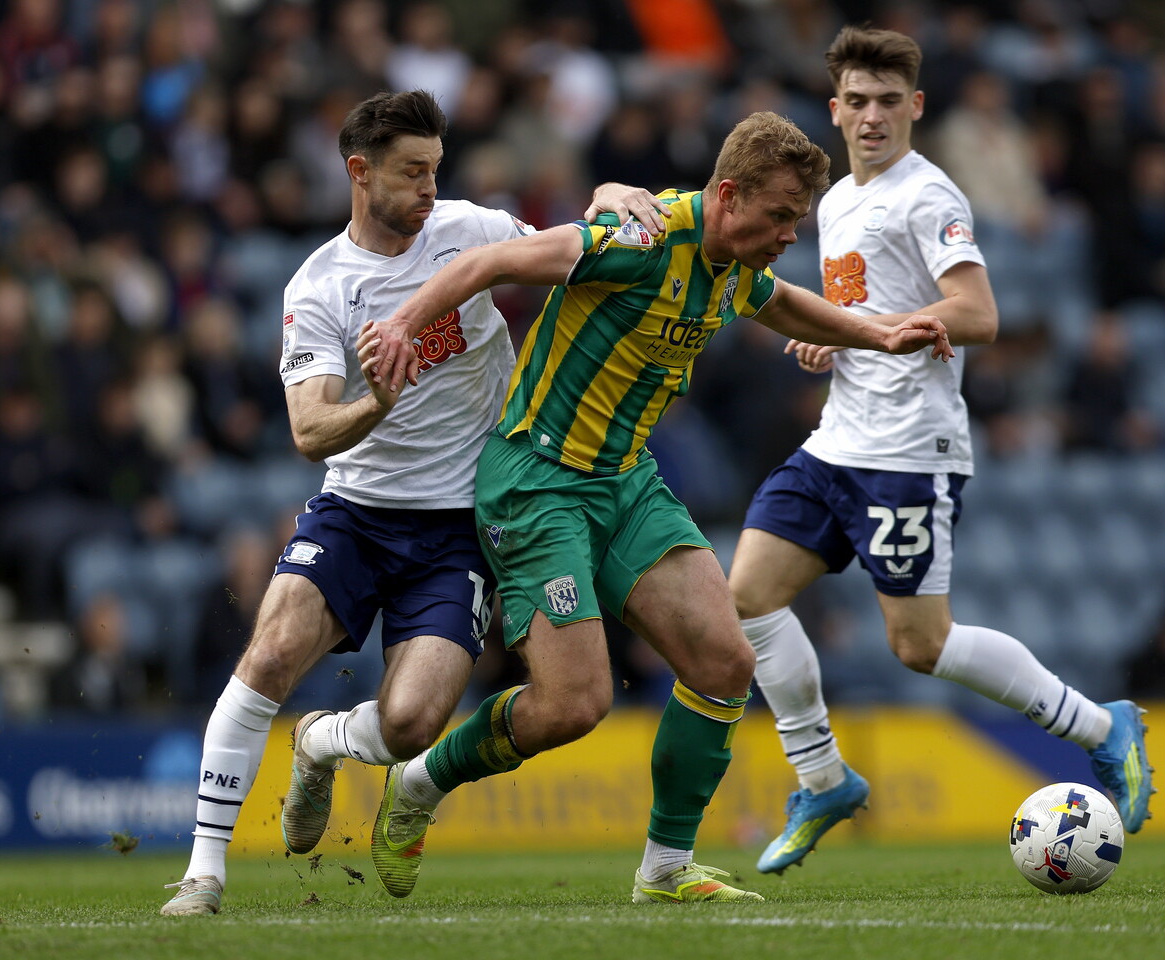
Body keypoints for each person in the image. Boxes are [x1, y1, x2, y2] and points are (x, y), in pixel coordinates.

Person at [362, 110, 953, 904]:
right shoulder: (638, 239)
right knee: (574, 706)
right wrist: (402, 322)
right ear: (730, 194)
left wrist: (877, 336)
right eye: (778, 215)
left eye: (797, 220)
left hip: (624, 480)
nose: (787, 232)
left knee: (725, 662)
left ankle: (665, 871)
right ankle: (421, 786)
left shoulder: (733, 264)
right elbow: (496, 259)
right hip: (537, 482)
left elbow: (780, 303)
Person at [159, 89, 665, 917]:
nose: (431, 187)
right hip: (356, 510)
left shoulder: (473, 232)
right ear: (359, 172)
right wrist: (376, 407)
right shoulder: (319, 285)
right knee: (270, 653)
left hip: (459, 529)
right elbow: (311, 430)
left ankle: (321, 744)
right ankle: (203, 874)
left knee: (410, 726)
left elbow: (578, 244)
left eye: (437, 168)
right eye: (412, 171)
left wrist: (606, 198)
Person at [723, 26, 1155, 877]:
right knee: (746, 595)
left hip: (908, 451)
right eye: (858, 101)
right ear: (836, 109)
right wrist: (839, 342)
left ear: (915, 107)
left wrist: (881, 332)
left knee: (919, 645)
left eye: (890, 101)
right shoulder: (841, 198)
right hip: (838, 439)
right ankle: (823, 777)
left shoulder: (930, 196)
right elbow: (876, 315)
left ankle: (1101, 727)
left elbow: (978, 313)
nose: (873, 116)